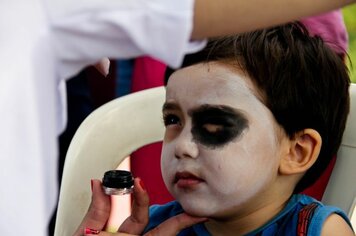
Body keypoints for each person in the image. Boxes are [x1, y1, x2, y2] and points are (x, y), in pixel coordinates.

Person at [1, 0, 356, 235]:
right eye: (172, 121)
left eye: (215, 126)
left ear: (297, 151)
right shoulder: (154, 226)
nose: (182, 146)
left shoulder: (317, 230)